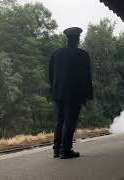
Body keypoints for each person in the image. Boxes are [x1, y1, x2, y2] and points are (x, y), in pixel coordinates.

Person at [49, 27, 93, 159]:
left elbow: (50, 75)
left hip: (58, 93)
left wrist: (54, 89)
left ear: (67, 39)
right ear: (78, 39)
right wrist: (88, 94)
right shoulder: (82, 55)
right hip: (74, 94)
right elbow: (86, 77)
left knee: (59, 121)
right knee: (69, 122)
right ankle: (66, 150)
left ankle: (57, 150)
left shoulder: (56, 53)